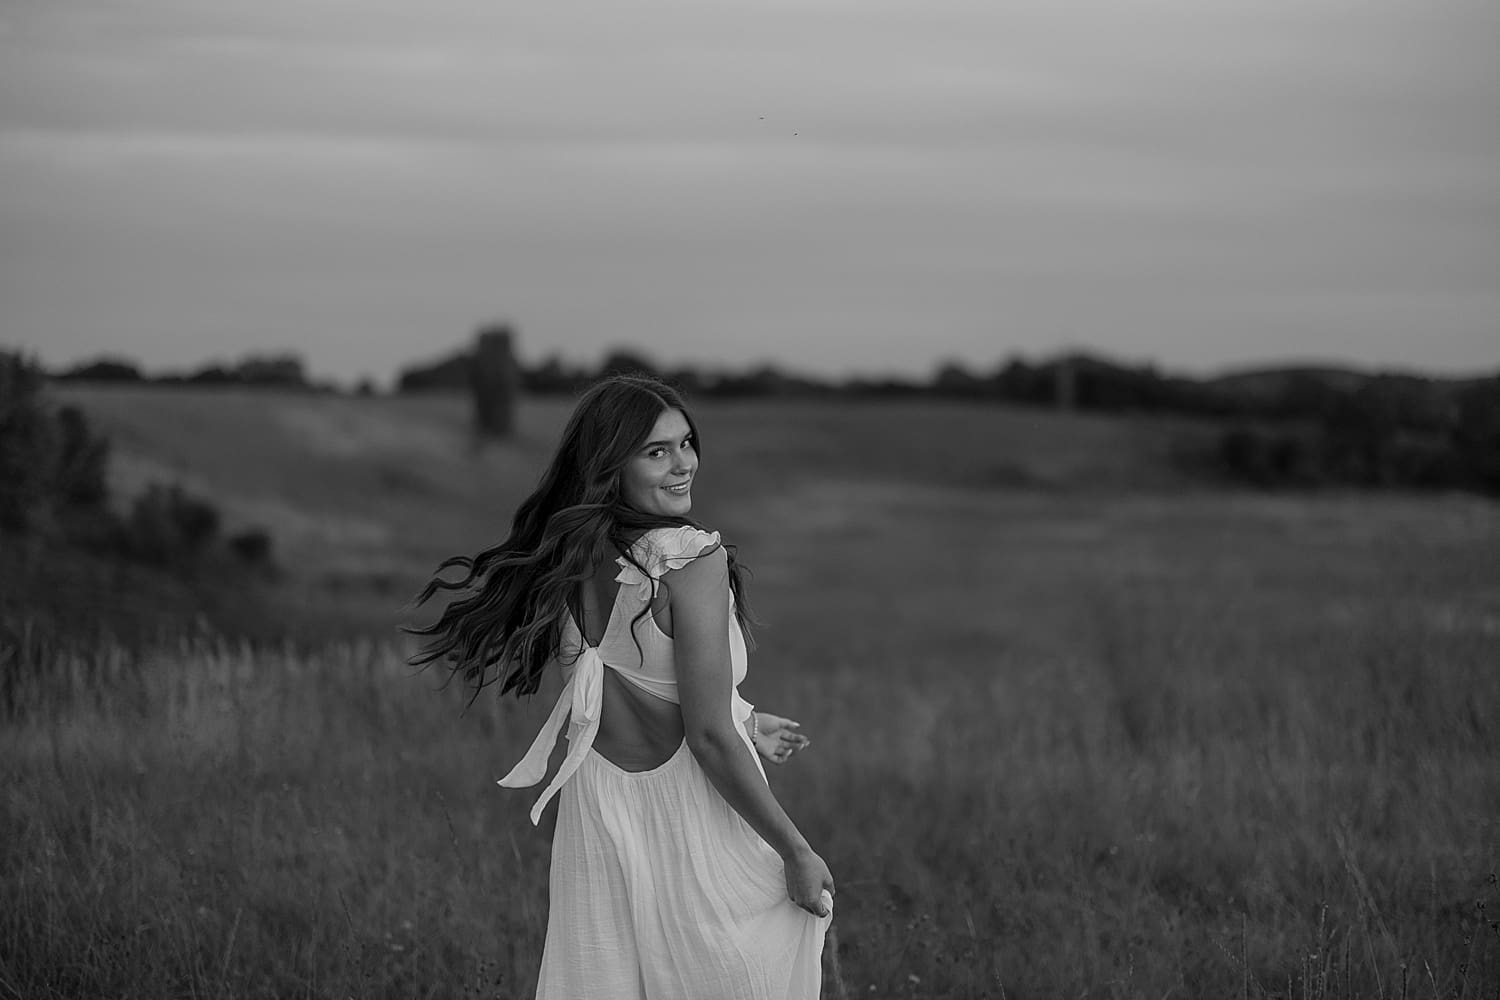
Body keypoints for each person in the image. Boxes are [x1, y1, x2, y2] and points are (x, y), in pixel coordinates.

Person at [408, 374, 834, 999]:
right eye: (656, 451)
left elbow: (632, 681)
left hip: (603, 812)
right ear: (611, 463)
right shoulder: (691, 560)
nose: (683, 465)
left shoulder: (572, 549)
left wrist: (745, 717)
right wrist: (796, 851)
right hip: (693, 818)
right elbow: (706, 737)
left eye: (686, 443)